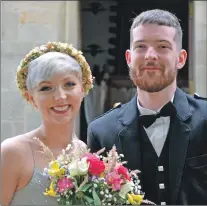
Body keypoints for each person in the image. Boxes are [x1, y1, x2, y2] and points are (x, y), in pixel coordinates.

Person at [87, 9, 207, 205]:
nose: (150, 55)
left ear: (181, 58)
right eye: (141, 46)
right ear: (128, 58)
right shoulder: (101, 131)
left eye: (162, 46)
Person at [1, 42, 93, 205]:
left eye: (69, 84)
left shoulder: (83, 151)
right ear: (31, 98)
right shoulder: (13, 153)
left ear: (83, 88)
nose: (60, 96)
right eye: (46, 88)